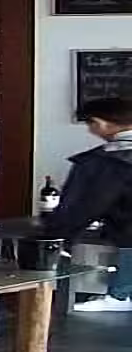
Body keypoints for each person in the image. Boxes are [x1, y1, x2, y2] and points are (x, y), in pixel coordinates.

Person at [46, 97, 132, 311]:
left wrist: (59, 233)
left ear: (100, 122)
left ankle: (120, 295)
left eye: (89, 124)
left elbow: (85, 204)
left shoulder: (105, 161)